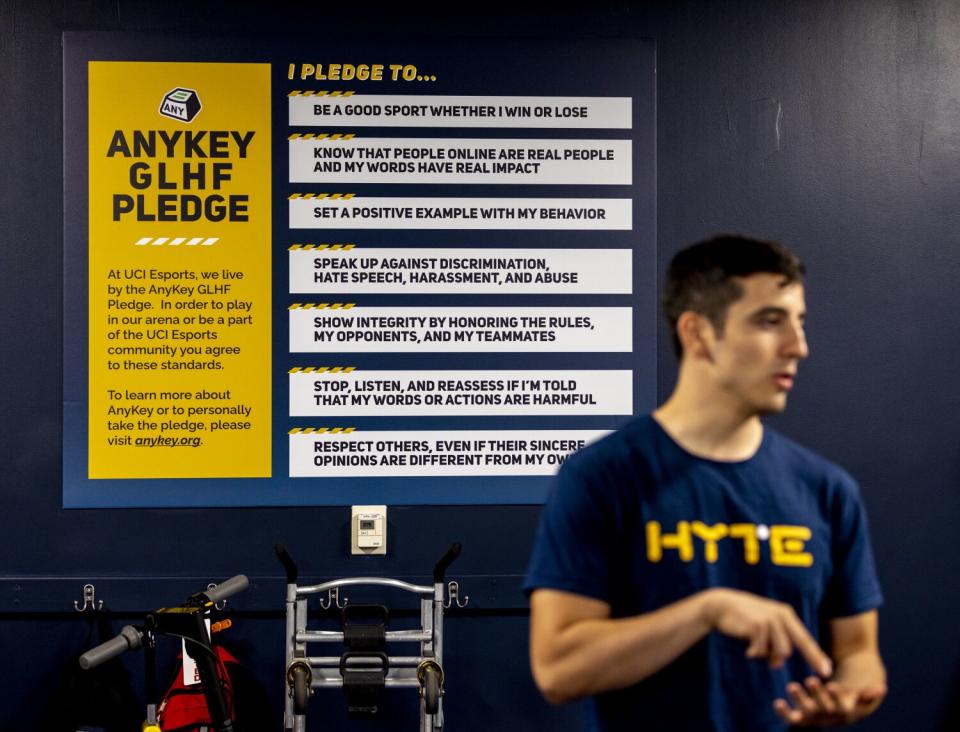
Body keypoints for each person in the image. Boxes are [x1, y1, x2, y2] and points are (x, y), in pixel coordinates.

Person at [525, 236, 886, 731]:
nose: (798, 347)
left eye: (799, 322)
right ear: (697, 333)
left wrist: (848, 694)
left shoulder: (827, 490)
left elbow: (859, 653)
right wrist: (707, 611)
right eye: (769, 321)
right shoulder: (600, 478)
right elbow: (557, 669)